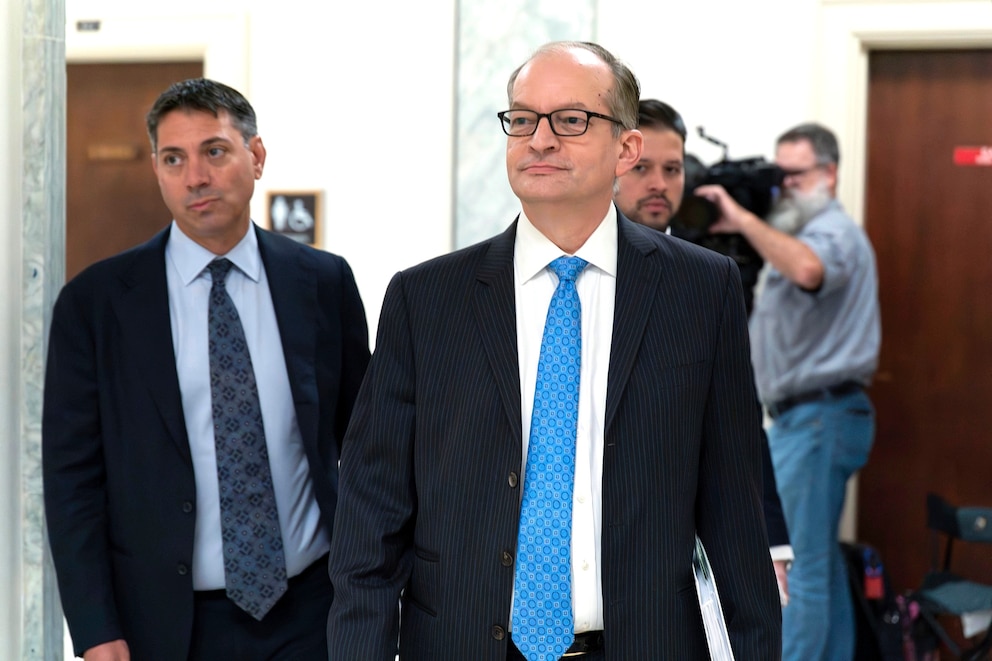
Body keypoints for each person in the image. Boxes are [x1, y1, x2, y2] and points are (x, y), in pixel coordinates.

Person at [327, 42, 781, 660]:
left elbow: (734, 508)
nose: (539, 140)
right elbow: (371, 513)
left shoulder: (701, 290)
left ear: (626, 148)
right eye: (522, 119)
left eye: (570, 120)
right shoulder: (425, 298)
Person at [42, 78, 371, 661]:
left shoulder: (322, 283)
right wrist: (95, 629)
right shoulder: (96, 305)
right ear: (157, 169)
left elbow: (368, 451)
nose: (195, 176)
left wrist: (373, 596)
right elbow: (72, 483)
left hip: (314, 612)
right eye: (174, 159)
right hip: (167, 625)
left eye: (214, 151)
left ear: (257, 156)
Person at [697, 123, 880, 661]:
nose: (785, 188)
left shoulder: (832, 234)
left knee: (800, 568)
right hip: (810, 418)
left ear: (829, 174)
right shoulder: (798, 232)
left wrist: (745, 220)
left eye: (796, 175)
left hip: (818, 417)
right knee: (819, 563)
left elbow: (806, 269)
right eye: (780, 176)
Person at [614, 98, 794, 604]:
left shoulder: (711, 280)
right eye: (642, 167)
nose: (659, 183)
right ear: (613, 164)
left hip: (677, 541)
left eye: (672, 169)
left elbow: (739, 418)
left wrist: (773, 540)